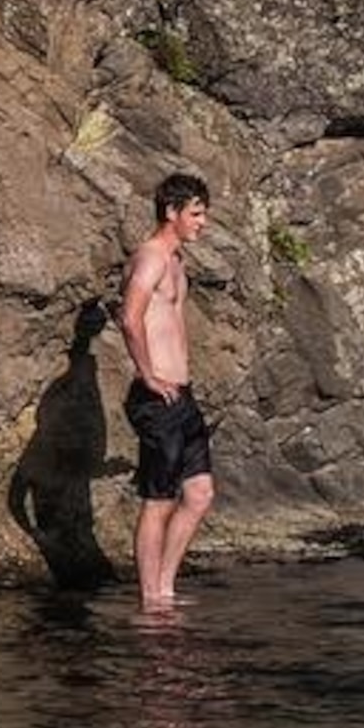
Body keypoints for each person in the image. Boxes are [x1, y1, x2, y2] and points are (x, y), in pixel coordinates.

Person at [120, 173, 215, 611]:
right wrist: (147, 375)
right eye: (196, 213)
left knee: (199, 495)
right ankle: (150, 599)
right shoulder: (152, 258)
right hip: (157, 397)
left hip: (183, 396)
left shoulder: (177, 263)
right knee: (158, 500)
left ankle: (165, 587)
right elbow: (130, 318)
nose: (203, 222)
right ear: (171, 212)